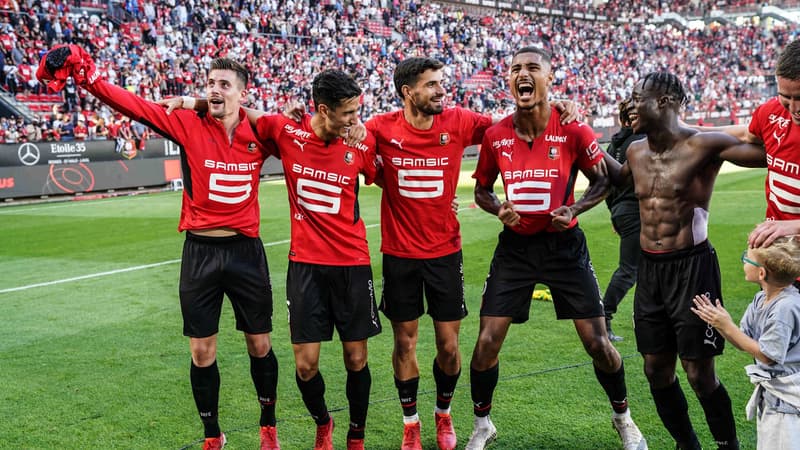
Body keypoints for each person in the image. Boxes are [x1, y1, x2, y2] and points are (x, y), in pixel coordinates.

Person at [36, 45, 281, 450]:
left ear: (243, 93)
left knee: (260, 345)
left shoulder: (261, 133)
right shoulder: (187, 124)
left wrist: (200, 100)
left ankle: (268, 427)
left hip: (246, 253)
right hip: (200, 253)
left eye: (224, 85)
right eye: (210, 84)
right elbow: (134, 106)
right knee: (202, 351)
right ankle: (211, 435)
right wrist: (91, 79)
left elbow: (303, 131)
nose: (215, 90)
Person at [364, 56, 580, 450]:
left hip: (446, 253)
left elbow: (513, 123)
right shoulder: (379, 128)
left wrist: (559, 106)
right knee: (405, 344)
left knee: (449, 346)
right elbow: (343, 136)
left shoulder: (461, 120)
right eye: (431, 85)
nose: (440, 90)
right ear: (407, 92)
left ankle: (443, 415)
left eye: (441, 83)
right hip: (399, 253)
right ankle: (410, 423)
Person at [164, 69, 383, 450]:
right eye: (347, 112)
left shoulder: (361, 144)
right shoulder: (286, 133)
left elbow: (384, 178)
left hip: (352, 262)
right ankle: (323, 422)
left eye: (356, 112)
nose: (353, 119)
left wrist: (444, 200)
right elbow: (237, 109)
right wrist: (188, 102)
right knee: (305, 365)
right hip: (305, 266)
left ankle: (356, 437)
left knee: (356, 357)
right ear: (323, 109)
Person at [467, 46, 647, 450]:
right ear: (509, 80)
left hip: (566, 248)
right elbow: (481, 189)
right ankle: (482, 425)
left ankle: (624, 419)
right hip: (515, 249)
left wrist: (576, 207)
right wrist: (499, 208)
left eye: (532, 68)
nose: (522, 74)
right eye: (515, 69)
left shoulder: (574, 130)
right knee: (486, 343)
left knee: (598, 344)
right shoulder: (496, 135)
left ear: (550, 78)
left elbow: (603, 179)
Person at [615, 71, 765, 450]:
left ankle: (727, 445)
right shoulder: (634, 150)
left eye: (639, 96)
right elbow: (610, 179)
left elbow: (767, 153)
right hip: (650, 271)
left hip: (692, 269)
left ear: (664, 100)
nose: (631, 104)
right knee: (655, 370)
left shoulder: (703, 145)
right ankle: (687, 445)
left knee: (699, 373)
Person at [691, 236, 800, 450]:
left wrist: (727, 325)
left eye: (746, 259)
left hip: (788, 402)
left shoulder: (785, 308)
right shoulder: (762, 299)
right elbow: (744, 340)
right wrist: (720, 323)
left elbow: (768, 355)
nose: (743, 262)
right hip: (773, 398)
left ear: (762, 273)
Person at [602, 98, 645, 342]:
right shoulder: (639, 142)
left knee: (643, 269)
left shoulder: (615, 144)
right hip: (636, 211)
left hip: (621, 210)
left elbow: (607, 184)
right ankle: (603, 317)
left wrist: (615, 212)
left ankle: (643, 317)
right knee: (630, 270)